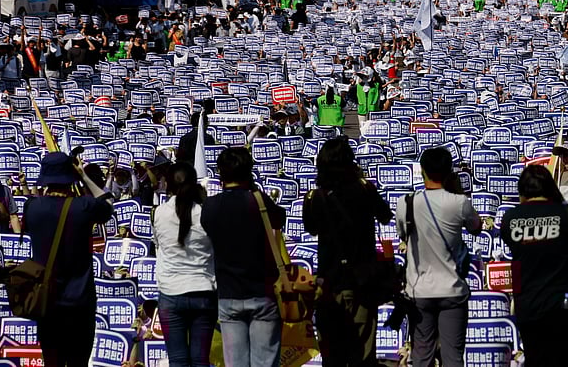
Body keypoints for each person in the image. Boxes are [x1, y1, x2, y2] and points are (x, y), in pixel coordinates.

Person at [303, 137, 393, 365]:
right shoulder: (364, 189)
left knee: (332, 355)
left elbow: (311, 228)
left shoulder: (315, 197)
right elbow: (385, 216)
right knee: (362, 353)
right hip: (361, 280)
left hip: (328, 283)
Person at [23, 152, 114, 367]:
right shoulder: (83, 206)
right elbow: (107, 205)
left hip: (47, 302)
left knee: (52, 362)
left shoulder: (32, 208)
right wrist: (84, 176)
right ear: (70, 175)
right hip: (79, 302)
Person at [396, 147, 482, 367]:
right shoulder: (459, 202)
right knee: (453, 356)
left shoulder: (406, 203)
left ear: (422, 171)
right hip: (452, 289)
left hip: (419, 290)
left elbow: (402, 235)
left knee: (421, 356)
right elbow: (476, 227)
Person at [201, 148, 285, 367]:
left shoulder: (210, 206)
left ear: (221, 173)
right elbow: (279, 220)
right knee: (265, 362)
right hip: (262, 293)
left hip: (228, 294)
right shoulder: (258, 201)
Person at [501, 165, 568, 367]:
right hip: (564, 304)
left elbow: (510, 242)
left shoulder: (510, 219)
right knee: (562, 360)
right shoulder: (566, 213)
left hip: (528, 304)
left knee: (535, 358)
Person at [153, 162, 216, 367]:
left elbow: (158, 244)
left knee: (178, 360)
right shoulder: (206, 213)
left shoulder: (159, 213)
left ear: (168, 185)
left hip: (171, 293)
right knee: (200, 360)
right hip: (203, 291)